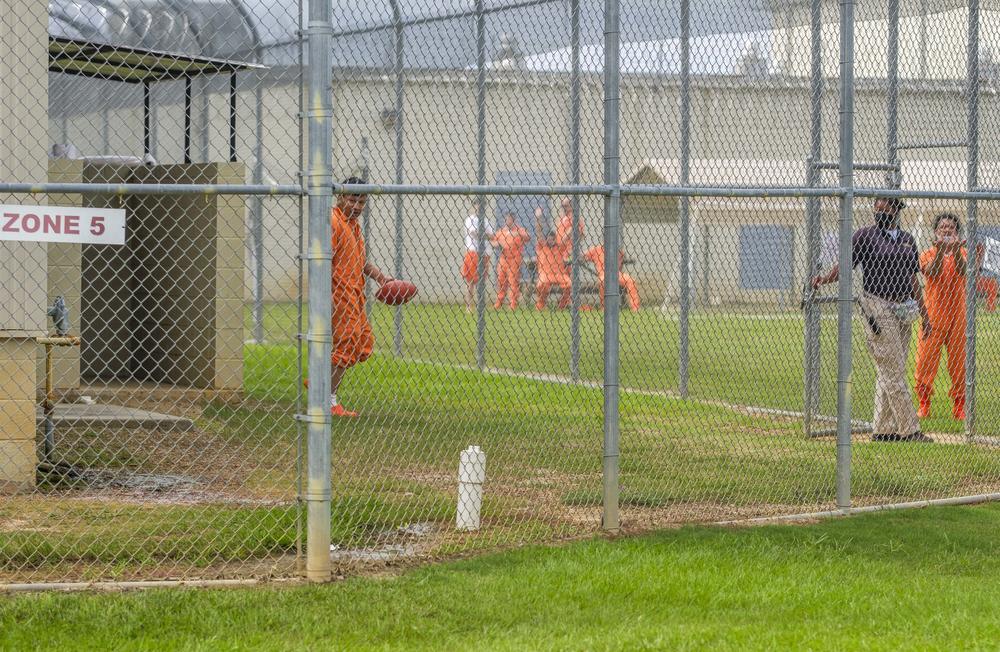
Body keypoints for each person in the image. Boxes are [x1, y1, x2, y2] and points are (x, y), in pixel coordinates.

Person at [812, 197, 932, 442]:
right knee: (894, 369)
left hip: (903, 307)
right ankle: (910, 430)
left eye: (885, 207)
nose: (879, 212)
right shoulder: (865, 236)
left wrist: (925, 315)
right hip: (877, 304)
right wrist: (825, 278)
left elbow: (912, 279)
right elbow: (845, 265)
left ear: (896, 209)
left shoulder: (908, 240)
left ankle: (883, 430)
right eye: (876, 208)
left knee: (891, 369)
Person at [329, 177, 393, 417]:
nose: (357, 206)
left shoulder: (353, 225)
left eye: (362, 201)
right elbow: (324, 261)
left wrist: (381, 277)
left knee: (362, 344)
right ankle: (328, 401)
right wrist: (328, 297)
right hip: (339, 295)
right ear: (341, 197)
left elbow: (359, 259)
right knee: (345, 346)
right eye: (352, 199)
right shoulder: (333, 221)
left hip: (355, 295)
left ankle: (321, 381)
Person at [914, 213, 972, 421]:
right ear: (935, 232)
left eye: (951, 227)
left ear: (957, 232)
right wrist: (940, 250)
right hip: (933, 314)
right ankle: (924, 404)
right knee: (925, 361)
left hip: (958, 314)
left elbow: (963, 270)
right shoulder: (928, 253)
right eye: (942, 227)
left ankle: (959, 406)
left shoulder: (964, 252)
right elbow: (933, 272)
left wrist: (955, 250)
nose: (946, 230)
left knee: (959, 363)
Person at [534, 208, 572, 310]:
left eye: (553, 239)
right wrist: (538, 218)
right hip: (545, 274)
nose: (551, 241)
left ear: (555, 239)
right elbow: (538, 232)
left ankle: (562, 305)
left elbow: (566, 236)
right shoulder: (542, 246)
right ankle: (541, 304)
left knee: (569, 283)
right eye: (549, 239)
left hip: (559, 274)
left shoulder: (559, 247)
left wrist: (574, 224)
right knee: (541, 284)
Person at [583, 244, 640, 312]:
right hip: (603, 274)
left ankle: (635, 308)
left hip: (616, 273)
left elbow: (622, 259)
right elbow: (583, 255)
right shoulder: (596, 249)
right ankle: (604, 308)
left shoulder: (616, 249)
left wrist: (624, 260)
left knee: (630, 280)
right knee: (602, 281)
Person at [490, 212, 530, 309]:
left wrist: (518, 233)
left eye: (509, 219)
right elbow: (493, 241)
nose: (507, 221)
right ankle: (499, 303)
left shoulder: (519, 230)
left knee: (513, 282)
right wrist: (497, 245)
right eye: (506, 219)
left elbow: (528, 237)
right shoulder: (501, 231)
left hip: (514, 260)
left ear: (513, 220)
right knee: (501, 281)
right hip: (503, 259)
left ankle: (513, 304)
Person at [462, 200, 495, 312]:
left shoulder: (485, 221)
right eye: (478, 205)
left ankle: (479, 305)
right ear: (474, 206)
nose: (480, 208)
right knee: (471, 282)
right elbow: (474, 234)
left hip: (484, 254)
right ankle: (468, 306)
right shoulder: (470, 219)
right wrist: (485, 235)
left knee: (481, 281)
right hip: (473, 252)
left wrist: (483, 235)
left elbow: (492, 236)